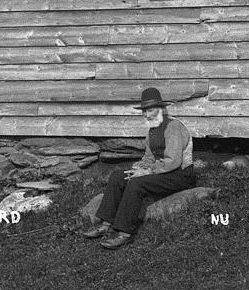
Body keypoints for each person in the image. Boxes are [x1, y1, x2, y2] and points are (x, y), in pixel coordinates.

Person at [82, 87, 196, 250]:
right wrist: (138, 169)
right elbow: (149, 157)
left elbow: (173, 161)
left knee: (137, 184)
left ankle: (124, 233)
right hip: (162, 172)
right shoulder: (152, 131)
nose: (147, 114)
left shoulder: (174, 127)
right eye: (145, 111)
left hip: (180, 175)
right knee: (118, 176)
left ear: (162, 109)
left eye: (151, 110)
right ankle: (106, 223)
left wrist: (147, 172)